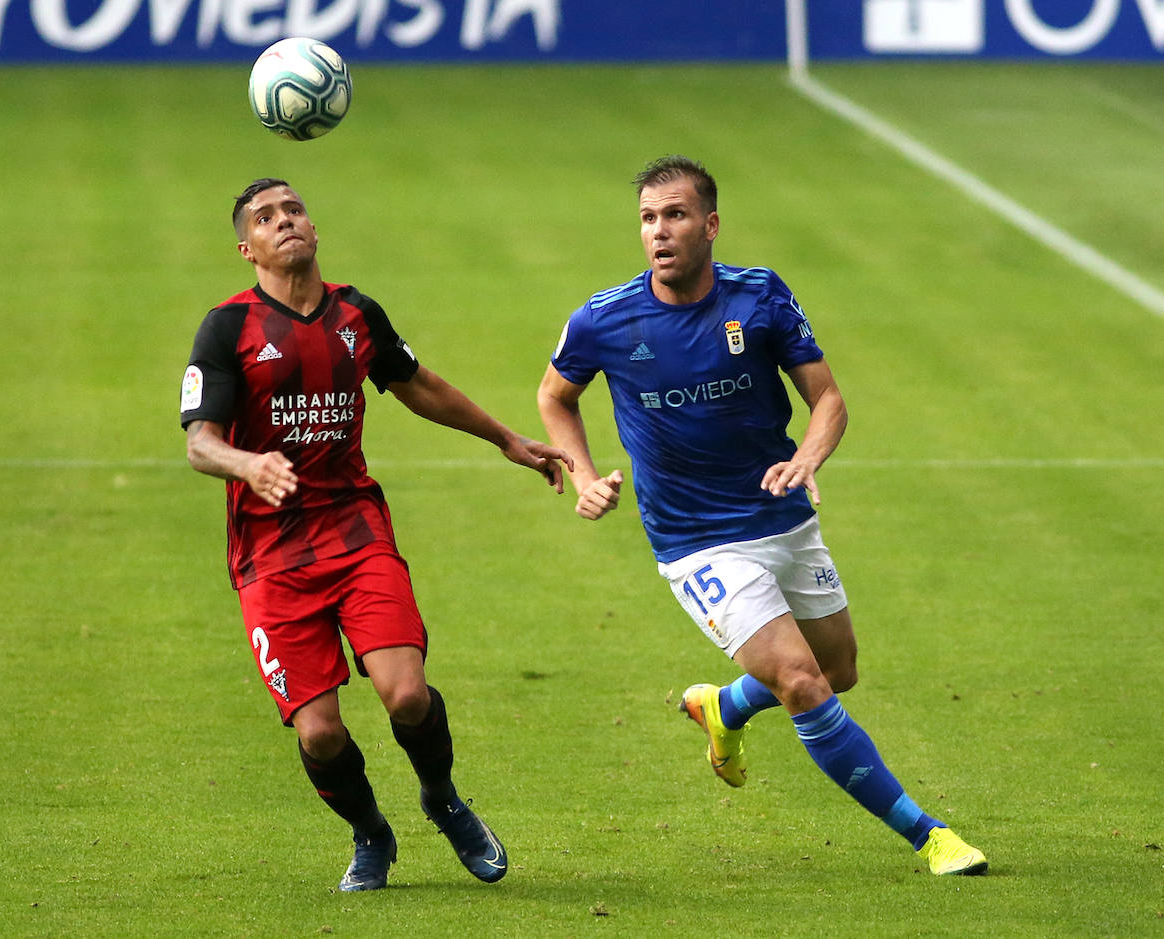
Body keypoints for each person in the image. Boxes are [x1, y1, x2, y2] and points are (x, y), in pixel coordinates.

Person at [536, 155, 987, 876]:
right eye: (649, 218)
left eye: (676, 215)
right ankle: (929, 834)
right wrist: (583, 474)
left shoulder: (761, 298)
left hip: (779, 515)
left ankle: (724, 708)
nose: (660, 230)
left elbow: (829, 399)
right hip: (696, 542)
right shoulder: (605, 318)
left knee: (838, 670)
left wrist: (809, 455)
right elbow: (555, 395)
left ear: (710, 225)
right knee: (802, 682)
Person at [181, 177, 571, 892]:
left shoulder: (356, 313)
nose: (285, 221)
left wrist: (506, 438)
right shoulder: (226, 328)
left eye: (294, 209)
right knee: (320, 733)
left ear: (314, 226)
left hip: (356, 531)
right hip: (270, 556)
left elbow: (417, 383)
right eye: (266, 218)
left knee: (407, 695)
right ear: (248, 248)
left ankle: (445, 800)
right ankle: (370, 832)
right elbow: (200, 444)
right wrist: (247, 462)